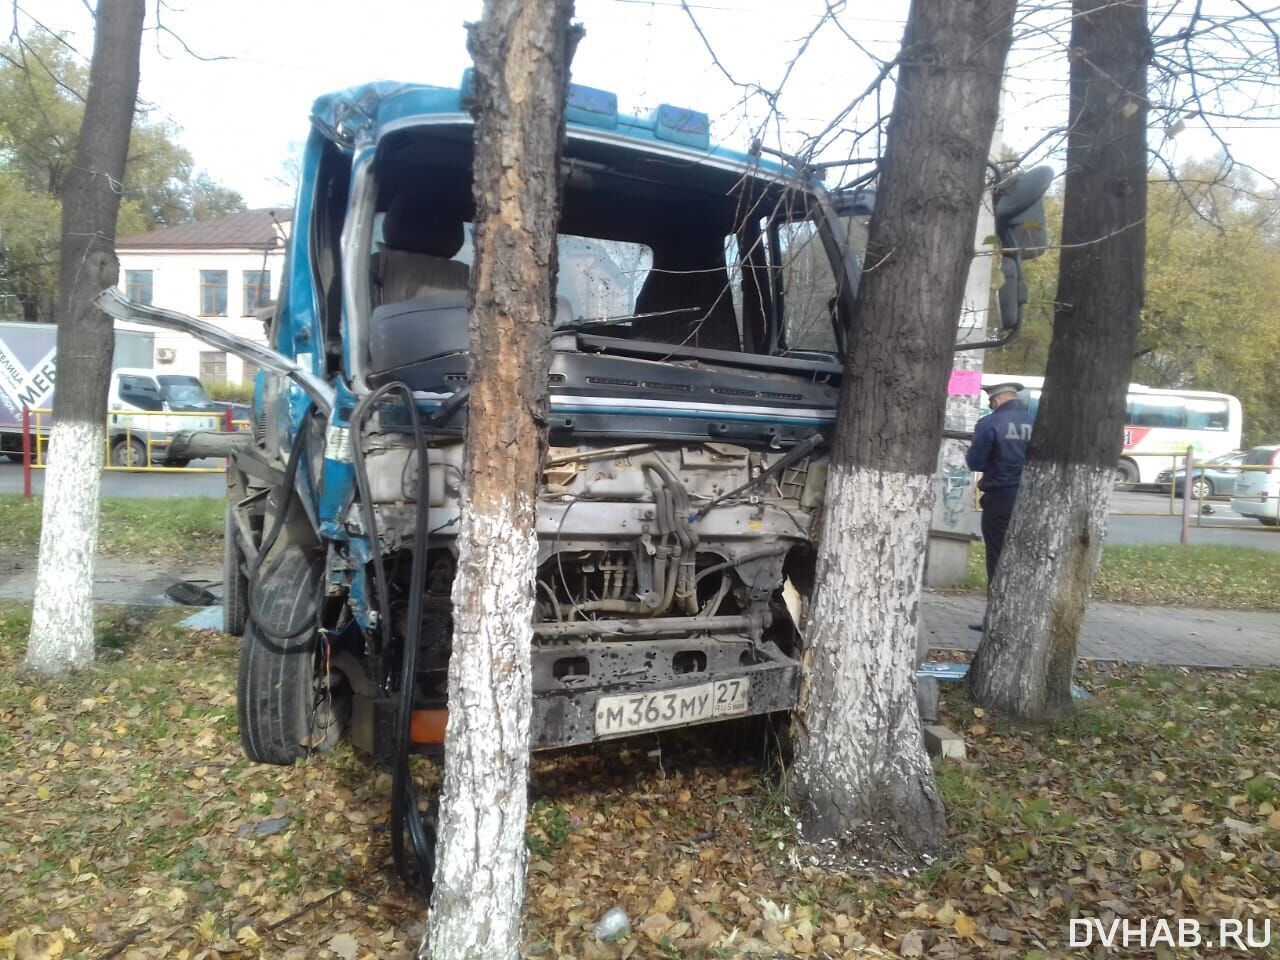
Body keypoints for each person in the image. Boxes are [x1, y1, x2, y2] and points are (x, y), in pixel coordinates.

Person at [966, 381, 1034, 584]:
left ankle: (997, 601)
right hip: (1032, 498)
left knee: (997, 552)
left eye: (991, 403)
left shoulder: (989, 423)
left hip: (1000, 497)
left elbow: (976, 462)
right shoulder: (1035, 422)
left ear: (996, 399)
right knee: (1023, 552)